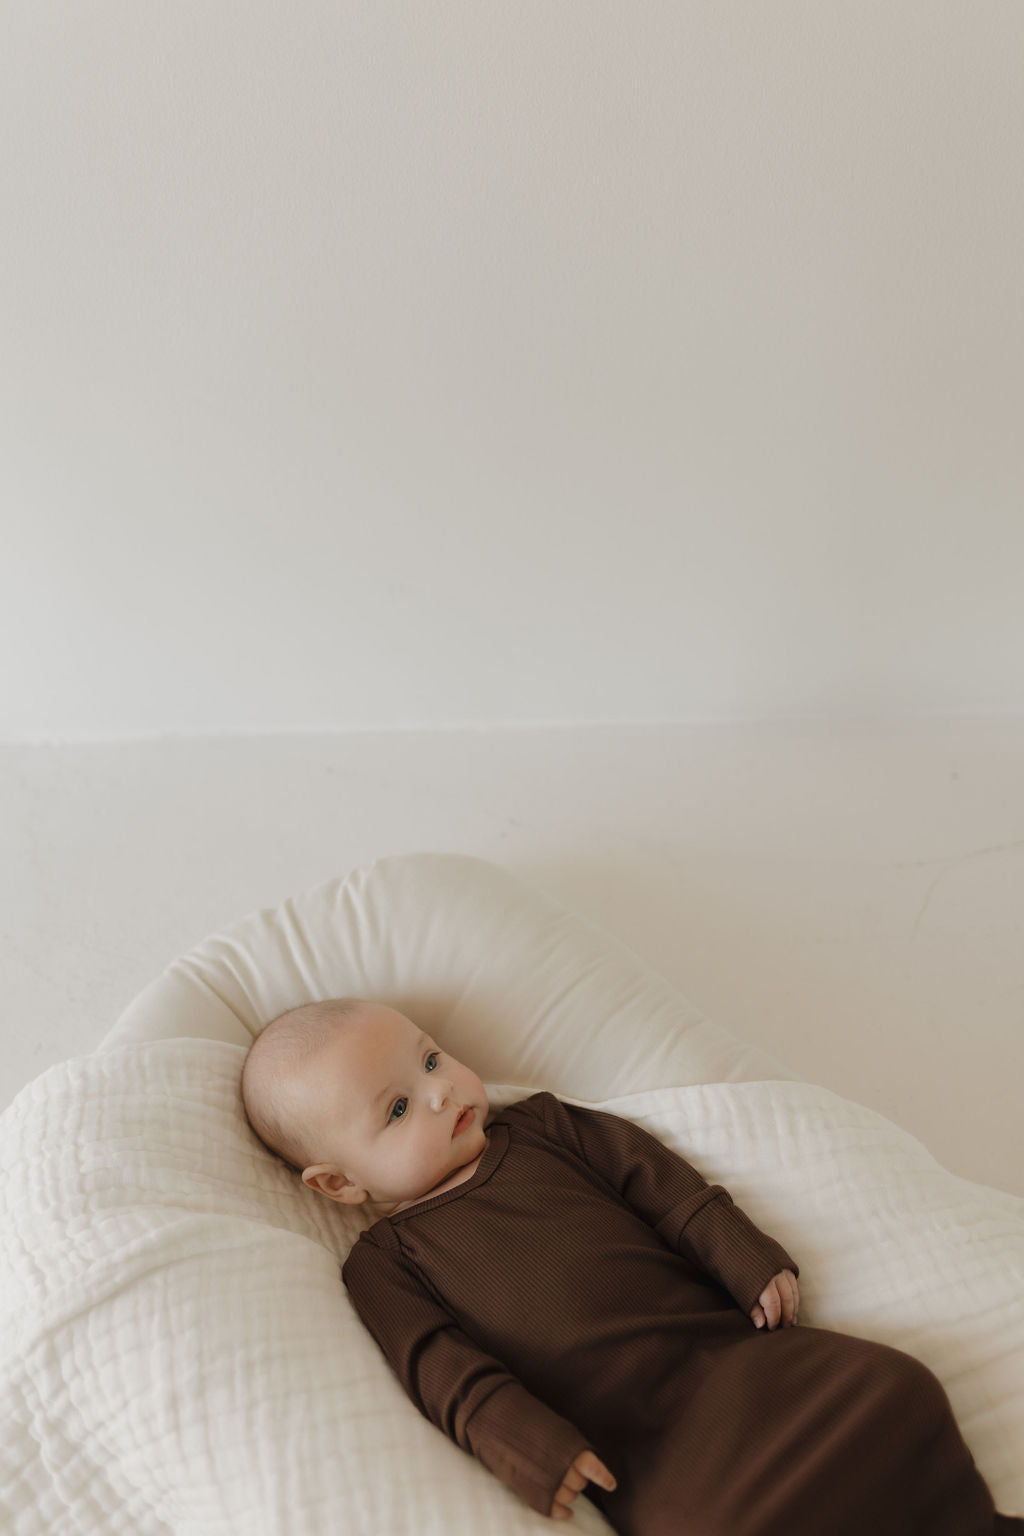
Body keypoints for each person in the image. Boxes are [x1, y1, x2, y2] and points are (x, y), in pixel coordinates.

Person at [240, 997, 1022, 1535]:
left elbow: (663, 1185)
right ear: (339, 1184)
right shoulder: (387, 1263)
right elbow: (440, 1370)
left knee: (891, 1390)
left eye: (432, 1060)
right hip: (648, 1448)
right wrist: (522, 1444)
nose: (441, 1093)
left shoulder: (544, 1128)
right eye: (399, 1108)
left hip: (739, 1361)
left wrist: (744, 1258)